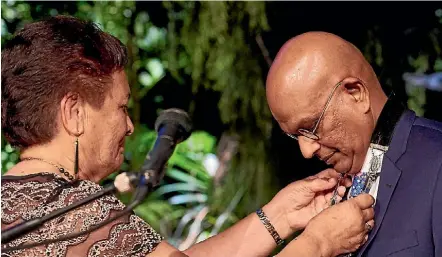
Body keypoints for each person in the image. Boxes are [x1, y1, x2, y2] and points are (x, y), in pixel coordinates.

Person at [1, 16, 374, 257]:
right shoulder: (78, 211)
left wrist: (279, 215)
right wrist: (319, 242)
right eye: (121, 108)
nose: (129, 126)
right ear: (74, 113)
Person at [266, 31, 442, 257]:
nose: (306, 151)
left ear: (356, 93)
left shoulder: (436, 162)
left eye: (311, 127)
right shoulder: (331, 199)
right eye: (295, 136)